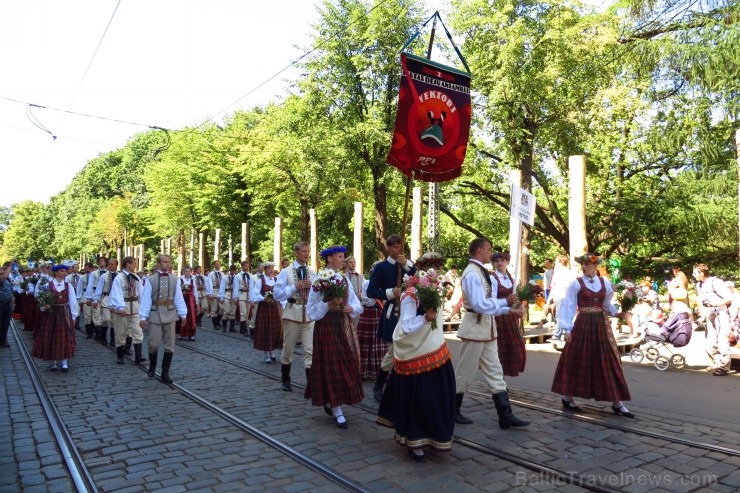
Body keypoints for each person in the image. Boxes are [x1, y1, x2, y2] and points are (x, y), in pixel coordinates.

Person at [377, 252, 456, 462]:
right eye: (430, 267)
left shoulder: (436, 290)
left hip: (436, 347)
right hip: (416, 352)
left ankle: (436, 436)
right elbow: (406, 325)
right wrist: (425, 317)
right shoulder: (411, 293)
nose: (435, 271)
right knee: (421, 398)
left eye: (437, 267)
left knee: (438, 396)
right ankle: (415, 439)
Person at [453, 238, 528, 429]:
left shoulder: (480, 272)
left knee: (495, 371)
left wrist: (508, 310)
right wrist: (505, 303)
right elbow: (479, 304)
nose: (490, 253)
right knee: (465, 371)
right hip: (475, 328)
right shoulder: (472, 274)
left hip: (486, 327)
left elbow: (488, 306)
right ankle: (452, 410)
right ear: (479, 251)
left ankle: (505, 415)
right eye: (488, 249)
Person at [551, 253, 634, 417]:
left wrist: (617, 313)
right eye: (582, 264)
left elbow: (607, 303)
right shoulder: (576, 283)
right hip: (583, 324)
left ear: (595, 266)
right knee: (577, 360)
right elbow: (568, 306)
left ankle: (617, 402)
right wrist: (566, 329)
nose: (584, 267)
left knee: (608, 361)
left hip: (601, 325)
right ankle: (567, 397)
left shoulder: (605, 282)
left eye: (587, 264)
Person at [305, 245, 363, 429]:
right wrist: (327, 305)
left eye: (344, 256)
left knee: (346, 362)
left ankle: (333, 401)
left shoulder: (343, 279)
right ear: (330, 258)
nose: (343, 259)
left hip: (342, 326)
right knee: (331, 365)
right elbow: (311, 310)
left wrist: (351, 308)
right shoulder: (319, 280)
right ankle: (337, 409)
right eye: (340, 256)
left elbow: (356, 303)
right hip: (326, 327)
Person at [367, 234, 416, 401]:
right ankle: (379, 384)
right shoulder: (381, 267)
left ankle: (401, 384)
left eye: (400, 246)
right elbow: (371, 291)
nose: (398, 250)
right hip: (392, 313)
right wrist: (389, 293)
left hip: (409, 312)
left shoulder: (408, 266)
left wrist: (407, 264)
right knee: (393, 350)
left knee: (407, 349)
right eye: (395, 247)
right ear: (388, 248)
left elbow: (420, 277)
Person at [273, 241, 316, 392]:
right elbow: (276, 294)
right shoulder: (285, 272)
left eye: (308, 251)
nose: (306, 253)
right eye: (303, 251)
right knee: (288, 348)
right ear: (296, 253)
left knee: (310, 350)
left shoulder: (312, 272)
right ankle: (286, 379)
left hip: (308, 315)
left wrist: (314, 287)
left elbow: (318, 295)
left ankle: (310, 384)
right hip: (292, 313)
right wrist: (294, 287)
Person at [139, 254, 187, 383]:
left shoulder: (175, 279)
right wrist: (143, 316)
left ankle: (165, 373)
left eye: (169, 262)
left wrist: (183, 314)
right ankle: (153, 365)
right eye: (165, 262)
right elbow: (146, 299)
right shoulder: (150, 279)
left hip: (170, 314)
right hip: (155, 314)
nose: (168, 264)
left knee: (169, 345)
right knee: (153, 344)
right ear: (159, 264)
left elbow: (178, 298)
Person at [31, 264, 78, 371]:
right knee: (52, 336)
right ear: (56, 272)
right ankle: (54, 362)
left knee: (65, 336)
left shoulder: (68, 286)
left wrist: (74, 316)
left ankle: (64, 362)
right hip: (51, 313)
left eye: (66, 271)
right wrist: (45, 305)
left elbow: (73, 301)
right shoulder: (48, 285)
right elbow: (40, 298)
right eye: (62, 271)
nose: (64, 273)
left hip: (64, 312)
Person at [693, 263, 732, 376]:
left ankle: (724, 367)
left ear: (702, 273)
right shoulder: (699, 285)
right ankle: (718, 363)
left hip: (721, 313)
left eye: (695, 272)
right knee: (710, 343)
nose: (693, 274)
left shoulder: (716, 282)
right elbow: (703, 302)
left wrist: (715, 303)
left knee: (723, 341)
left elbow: (729, 298)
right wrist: (701, 318)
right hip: (710, 314)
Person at [491, 252, 526, 377]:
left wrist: (521, 305)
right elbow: (493, 301)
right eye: (496, 261)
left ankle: (501, 379)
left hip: (510, 318)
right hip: (499, 317)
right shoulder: (493, 278)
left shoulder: (511, 278)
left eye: (502, 260)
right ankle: (499, 381)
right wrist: (509, 308)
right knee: (500, 350)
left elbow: (517, 297)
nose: (499, 263)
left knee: (515, 348)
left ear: (507, 262)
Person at [109, 256, 147, 365]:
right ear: (128, 264)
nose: (135, 265)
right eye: (134, 263)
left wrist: (143, 308)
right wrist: (120, 307)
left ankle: (138, 356)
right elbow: (116, 293)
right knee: (121, 333)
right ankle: (120, 356)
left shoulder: (136, 277)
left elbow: (141, 293)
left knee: (138, 331)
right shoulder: (119, 278)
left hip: (135, 307)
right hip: (123, 308)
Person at [355, 262, 387, 379]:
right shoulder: (366, 283)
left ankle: (378, 370)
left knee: (378, 342)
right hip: (368, 313)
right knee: (366, 343)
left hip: (379, 313)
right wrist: (373, 299)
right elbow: (365, 299)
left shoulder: (384, 285)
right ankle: (364, 370)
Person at [250, 262, 283, 363]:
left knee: (275, 329)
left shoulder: (277, 280)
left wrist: (283, 304)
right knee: (266, 330)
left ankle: (272, 351)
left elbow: (281, 293)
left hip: (274, 308)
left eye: (272, 268)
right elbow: (254, 294)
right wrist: (263, 298)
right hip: (264, 308)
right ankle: (267, 354)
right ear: (265, 270)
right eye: (269, 268)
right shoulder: (261, 281)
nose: (271, 270)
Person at [541, 255, 574, 338]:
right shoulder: (569, 271)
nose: (555, 263)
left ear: (561, 262)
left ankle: (557, 334)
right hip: (565, 296)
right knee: (564, 315)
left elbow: (555, 286)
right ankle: (561, 333)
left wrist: (549, 300)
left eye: (556, 261)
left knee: (559, 315)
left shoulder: (560, 272)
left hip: (561, 295)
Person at [92, 258, 118, 347]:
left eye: (112, 264)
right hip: (106, 299)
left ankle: (113, 340)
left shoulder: (119, 276)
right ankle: (103, 337)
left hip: (116, 301)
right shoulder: (104, 276)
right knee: (106, 319)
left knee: (114, 321)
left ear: (116, 265)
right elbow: (99, 288)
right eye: (109, 264)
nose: (110, 266)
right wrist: (96, 299)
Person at [178, 266, 200, 341]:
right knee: (183, 315)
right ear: (183, 272)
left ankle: (191, 334)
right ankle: (181, 333)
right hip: (183, 299)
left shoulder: (192, 280)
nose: (187, 273)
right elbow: (177, 291)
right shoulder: (180, 280)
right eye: (186, 271)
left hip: (191, 300)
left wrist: (196, 302)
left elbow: (195, 292)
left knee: (191, 316)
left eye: (189, 271)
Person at [233, 260, 254, 337]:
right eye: (245, 266)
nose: (247, 267)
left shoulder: (251, 275)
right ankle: (244, 329)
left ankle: (242, 328)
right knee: (243, 313)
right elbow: (235, 287)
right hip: (241, 294)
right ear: (242, 266)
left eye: (248, 266)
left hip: (249, 295)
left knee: (247, 313)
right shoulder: (237, 276)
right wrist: (235, 297)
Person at [218, 265, 238, 333]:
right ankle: (224, 327)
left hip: (234, 296)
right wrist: (221, 297)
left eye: (234, 271)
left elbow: (236, 288)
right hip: (226, 295)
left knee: (233, 312)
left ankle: (231, 328)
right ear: (230, 270)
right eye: (232, 271)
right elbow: (222, 287)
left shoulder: (236, 277)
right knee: (227, 311)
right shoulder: (225, 277)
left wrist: (236, 297)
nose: (233, 272)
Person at [0, 262, 14, 348]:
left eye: (3, 269)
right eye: (1, 269)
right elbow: (4, 276)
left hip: (7, 304)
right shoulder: (1, 279)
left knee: (6, 323)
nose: (2, 271)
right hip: (0, 304)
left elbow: (11, 292)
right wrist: (10, 265)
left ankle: (3, 340)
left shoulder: (7, 280)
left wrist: (13, 303)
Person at [207, 261, 223, 330]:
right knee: (214, 309)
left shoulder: (222, 274)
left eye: (219, 264)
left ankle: (218, 321)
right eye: (217, 264)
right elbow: (209, 284)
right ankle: (215, 325)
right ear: (214, 265)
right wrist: (210, 293)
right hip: (214, 291)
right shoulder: (211, 274)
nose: (218, 265)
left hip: (220, 292)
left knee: (222, 308)